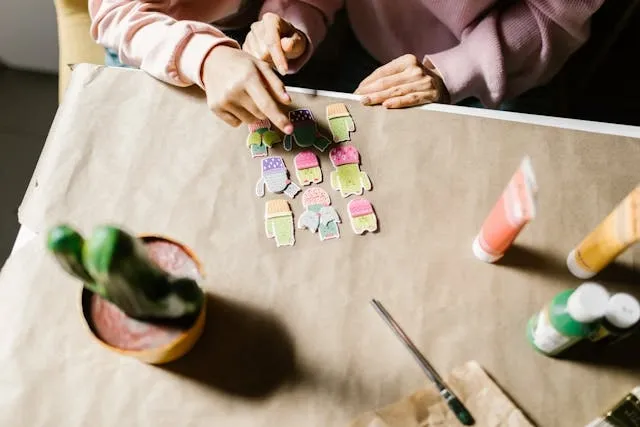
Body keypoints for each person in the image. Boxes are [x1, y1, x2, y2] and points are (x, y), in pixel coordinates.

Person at [244, 1, 605, 109]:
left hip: (502, 69)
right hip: (367, 38)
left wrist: (457, 71)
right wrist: (297, 14)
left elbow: (551, 17)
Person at [89, 0, 298, 133]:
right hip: (151, 40)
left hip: (248, 21)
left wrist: (290, 18)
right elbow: (117, 14)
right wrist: (205, 55)